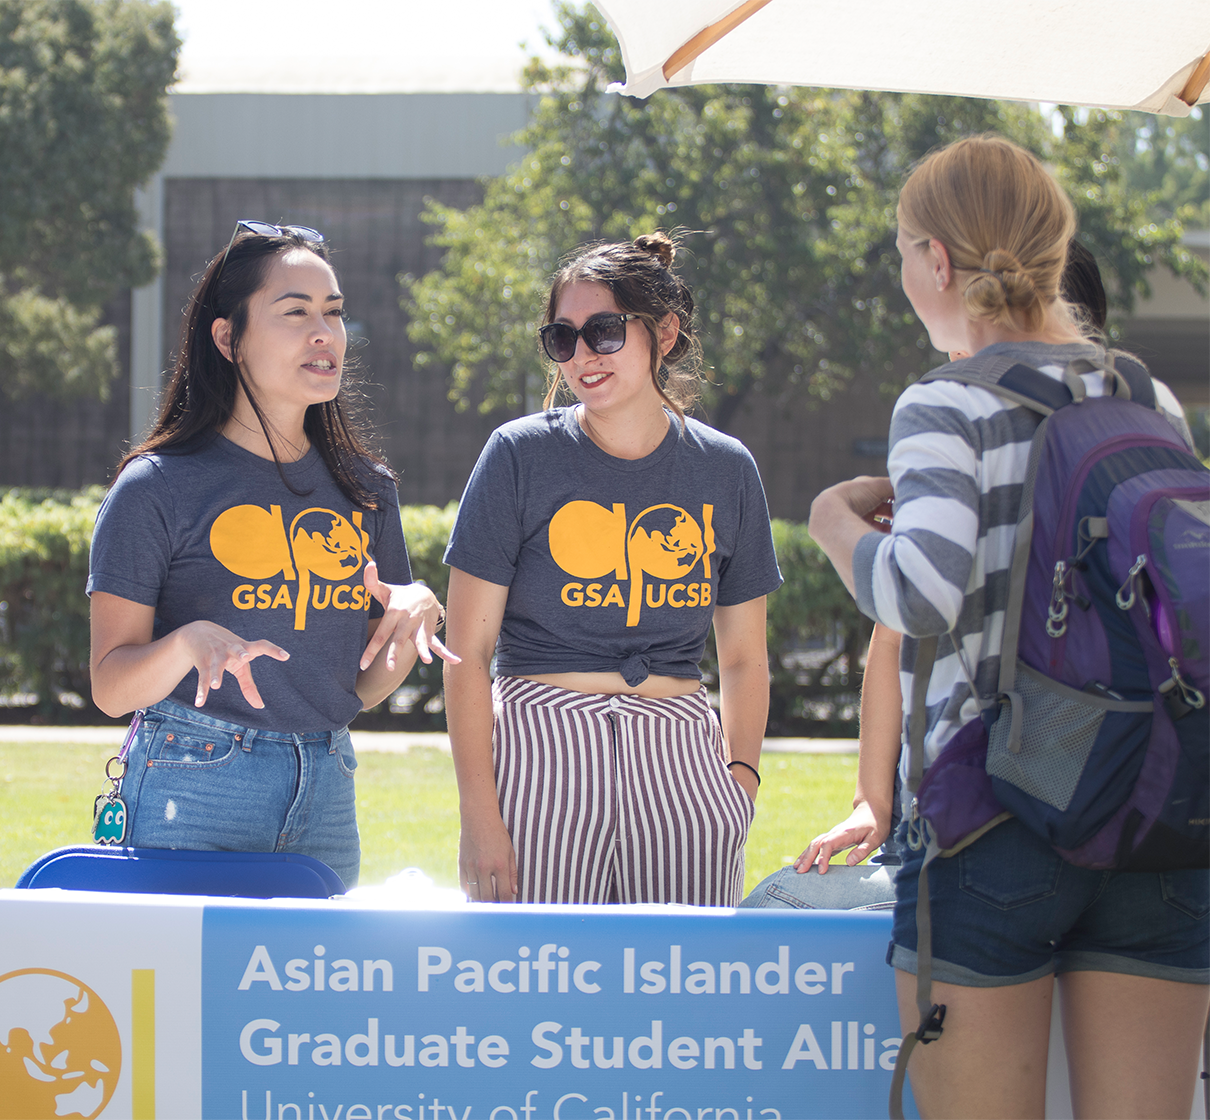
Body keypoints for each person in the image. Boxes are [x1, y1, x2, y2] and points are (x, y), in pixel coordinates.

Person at [807, 135, 1206, 1118]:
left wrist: (832, 523)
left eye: (903, 251)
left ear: (937, 259)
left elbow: (923, 593)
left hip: (999, 814)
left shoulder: (946, 400)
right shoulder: (1141, 390)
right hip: (1159, 809)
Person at [87, 221, 454, 888]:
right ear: (228, 339)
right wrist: (186, 644)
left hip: (326, 782)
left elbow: (361, 686)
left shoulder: (367, 489)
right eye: (295, 313)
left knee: (309, 991)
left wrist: (418, 613)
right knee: (180, 992)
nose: (324, 333)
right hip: (192, 782)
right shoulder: (157, 486)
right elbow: (111, 686)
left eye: (334, 313)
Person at [444, 232, 780, 906]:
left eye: (602, 331)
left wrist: (738, 784)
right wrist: (481, 815)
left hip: (683, 758)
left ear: (664, 331)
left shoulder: (726, 468)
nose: (582, 356)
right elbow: (467, 651)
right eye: (561, 339)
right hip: (543, 749)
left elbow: (744, 657)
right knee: (539, 982)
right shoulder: (518, 454)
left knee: (685, 991)